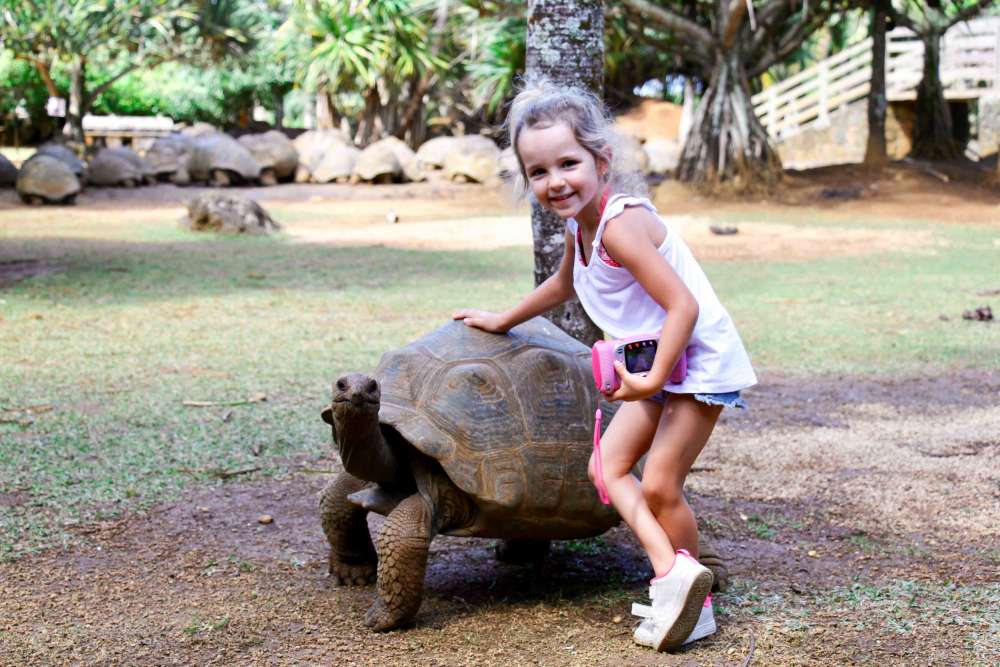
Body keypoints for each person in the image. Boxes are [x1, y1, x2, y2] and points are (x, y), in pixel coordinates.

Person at [452, 80, 757, 652]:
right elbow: (565, 283)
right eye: (538, 172)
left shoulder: (620, 224)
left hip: (696, 360)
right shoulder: (580, 226)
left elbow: (683, 306)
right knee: (605, 469)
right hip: (656, 362)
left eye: (568, 163)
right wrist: (503, 317)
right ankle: (676, 575)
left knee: (662, 485)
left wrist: (655, 378)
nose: (555, 181)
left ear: (601, 159)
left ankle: (697, 602)